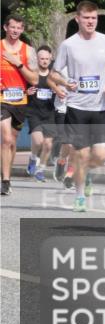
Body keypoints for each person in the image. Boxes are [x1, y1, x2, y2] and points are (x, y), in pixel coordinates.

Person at [47, 2, 105, 212]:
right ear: (77, 18)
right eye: (86, 18)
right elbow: (54, 73)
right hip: (77, 107)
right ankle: (79, 196)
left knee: (101, 155)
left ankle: (85, 172)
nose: (90, 22)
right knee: (81, 154)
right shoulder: (68, 45)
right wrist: (64, 83)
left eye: (94, 18)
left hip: (101, 107)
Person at [1, 14, 39, 194]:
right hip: (2, 100)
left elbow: (35, 79)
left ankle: (6, 172)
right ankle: (6, 180)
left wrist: (18, 64)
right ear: (5, 28)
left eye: (19, 28)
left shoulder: (28, 51)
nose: (15, 31)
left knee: (13, 142)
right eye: (12, 27)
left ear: (22, 30)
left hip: (21, 101)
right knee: (6, 138)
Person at [25, 45, 56, 182]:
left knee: (48, 144)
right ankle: (33, 158)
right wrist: (27, 92)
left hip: (49, 113)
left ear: (51, 58)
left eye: (46, 59)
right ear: (37, 59)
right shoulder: (31, 74)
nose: (44, 61)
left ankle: (40, 170)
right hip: (34, 112)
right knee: (38, 141)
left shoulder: (55, 75)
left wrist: (58, 92)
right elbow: (22, 90)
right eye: (41, 58)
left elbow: (63, 89)